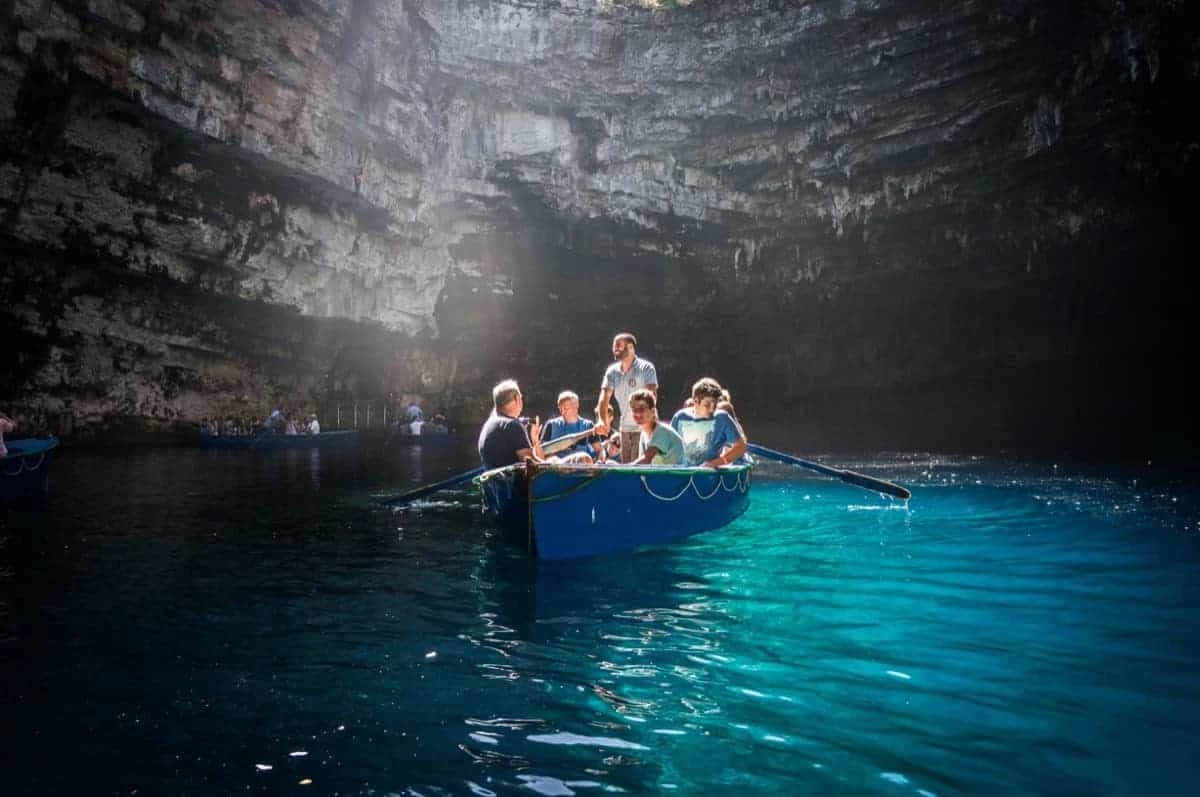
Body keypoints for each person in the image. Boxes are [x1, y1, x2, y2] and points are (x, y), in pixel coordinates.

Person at [595, 332, 658, 464]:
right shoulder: (612, 371)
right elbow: (604, 398)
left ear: (630, 347)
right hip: (624, 427)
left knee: (639, 467)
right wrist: (602, 420)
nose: (615, 349)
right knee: (626, 466)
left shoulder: (646, 368)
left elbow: (652, 396)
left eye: (618, 345)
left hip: (643, 427)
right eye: (614, 346)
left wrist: (645, 422)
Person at [670, 377, 747, 468]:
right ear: (695, 401)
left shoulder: (722, 418)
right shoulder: (679, 417)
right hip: (682, 473)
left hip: (709, 475)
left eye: (715, 405)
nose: (712, 409)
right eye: (707, 405)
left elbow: (741, 446)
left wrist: (716, 463)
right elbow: (669, 445)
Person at [477, 379, 546, 469]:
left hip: (496, 481)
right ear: (517, 398)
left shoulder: (487, 426)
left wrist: (535, 440)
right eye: (521, 397)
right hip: (515, 482)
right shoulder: (513, 426)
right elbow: (534, 468)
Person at [626, 389, 685, 466]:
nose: (637, 413)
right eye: (634, 409)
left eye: (641, 408)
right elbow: (642, 467)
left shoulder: (661, 431)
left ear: (653, 411)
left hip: (678, 477)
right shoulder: (644, 434)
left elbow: (646, 460)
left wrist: (619, 469)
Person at [540, 390, 597, 463]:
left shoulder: (588, 425)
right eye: (561, 408)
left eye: (566, 408)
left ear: (576, 406)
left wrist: (600, 457)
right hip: (557, 466)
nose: (563, 411)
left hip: (581, 466)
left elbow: (598, 449)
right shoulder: (551, 425)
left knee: (584, 457)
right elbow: (543, 451)